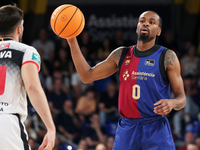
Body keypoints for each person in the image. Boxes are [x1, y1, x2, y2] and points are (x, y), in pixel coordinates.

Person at [66, 10, 186, 150]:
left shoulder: (167, 57)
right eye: (142, 21)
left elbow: (182, 98)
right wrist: (72, 41)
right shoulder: (121, 54)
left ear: (158, 31)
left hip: (155, 126)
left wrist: (172, 102)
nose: (145, 23)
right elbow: (87, 76)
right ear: (137, 28)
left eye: (151, 22)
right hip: (128, 127)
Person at [0, 4, 55, 150]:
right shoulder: (26, 51)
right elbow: (32, 86)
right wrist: (50, 127)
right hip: (7, 121)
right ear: (19, 29)